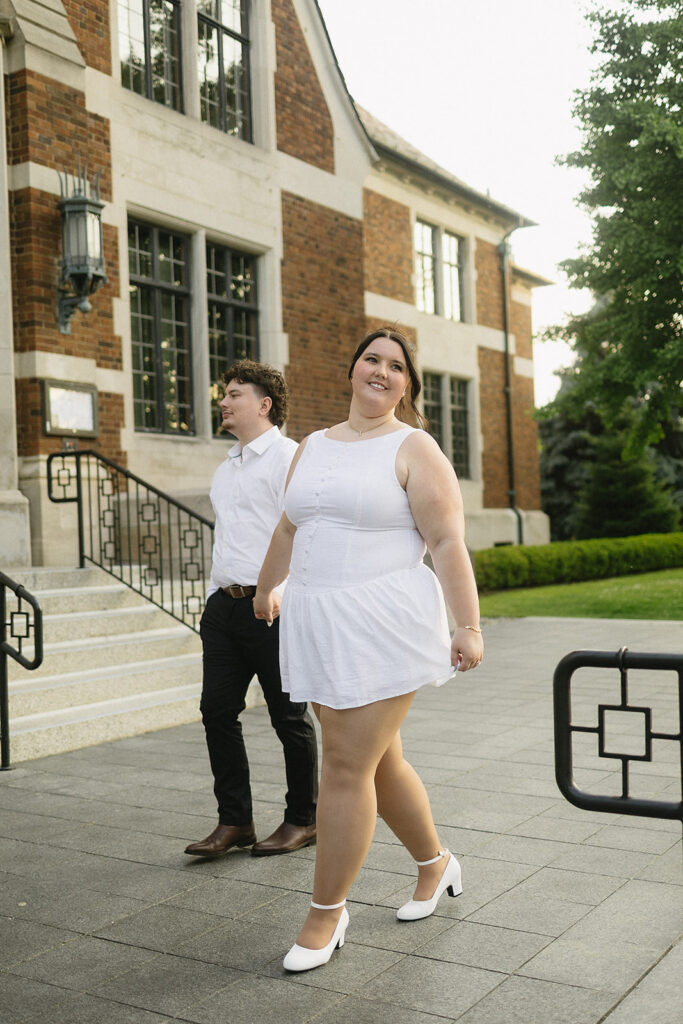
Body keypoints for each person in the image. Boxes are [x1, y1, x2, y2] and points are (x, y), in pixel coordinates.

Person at [253, 327, 483, 972]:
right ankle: (436, 865)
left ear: (408, 385)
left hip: (384, 623)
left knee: (345, 767)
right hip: (317, 619)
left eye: (396, 367)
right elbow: (290, 525)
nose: (381, 372)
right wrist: (268, 586)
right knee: (379, 763)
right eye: (371, 360)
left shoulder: (415, 448)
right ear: (352, 368)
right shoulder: (311, 446)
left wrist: (468, 626)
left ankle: (327, 913)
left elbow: (446, 544)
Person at [184, 360, 318, 859]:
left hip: (274, 607)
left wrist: (279, 588)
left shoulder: (289, 458)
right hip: (223, 608)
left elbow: (304, 532)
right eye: (225, 393)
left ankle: (303, 819)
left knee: (289, 717)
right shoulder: (227, 466)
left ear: (263, 405)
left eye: (234, 394)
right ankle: (234, 821)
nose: (224, 401)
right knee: (216, 712)